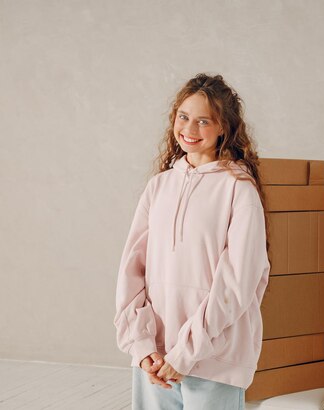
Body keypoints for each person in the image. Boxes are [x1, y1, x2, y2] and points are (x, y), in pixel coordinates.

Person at [113, 73, 271, 409]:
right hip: (155, 359)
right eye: (184, 117)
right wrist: (142, 348)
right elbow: (131, 272)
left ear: (223, 129)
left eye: (204, 121)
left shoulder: (238, 189)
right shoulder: (158, 187)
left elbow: (236, 285)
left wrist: (185, 353)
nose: (190, 129)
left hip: (215, 360)